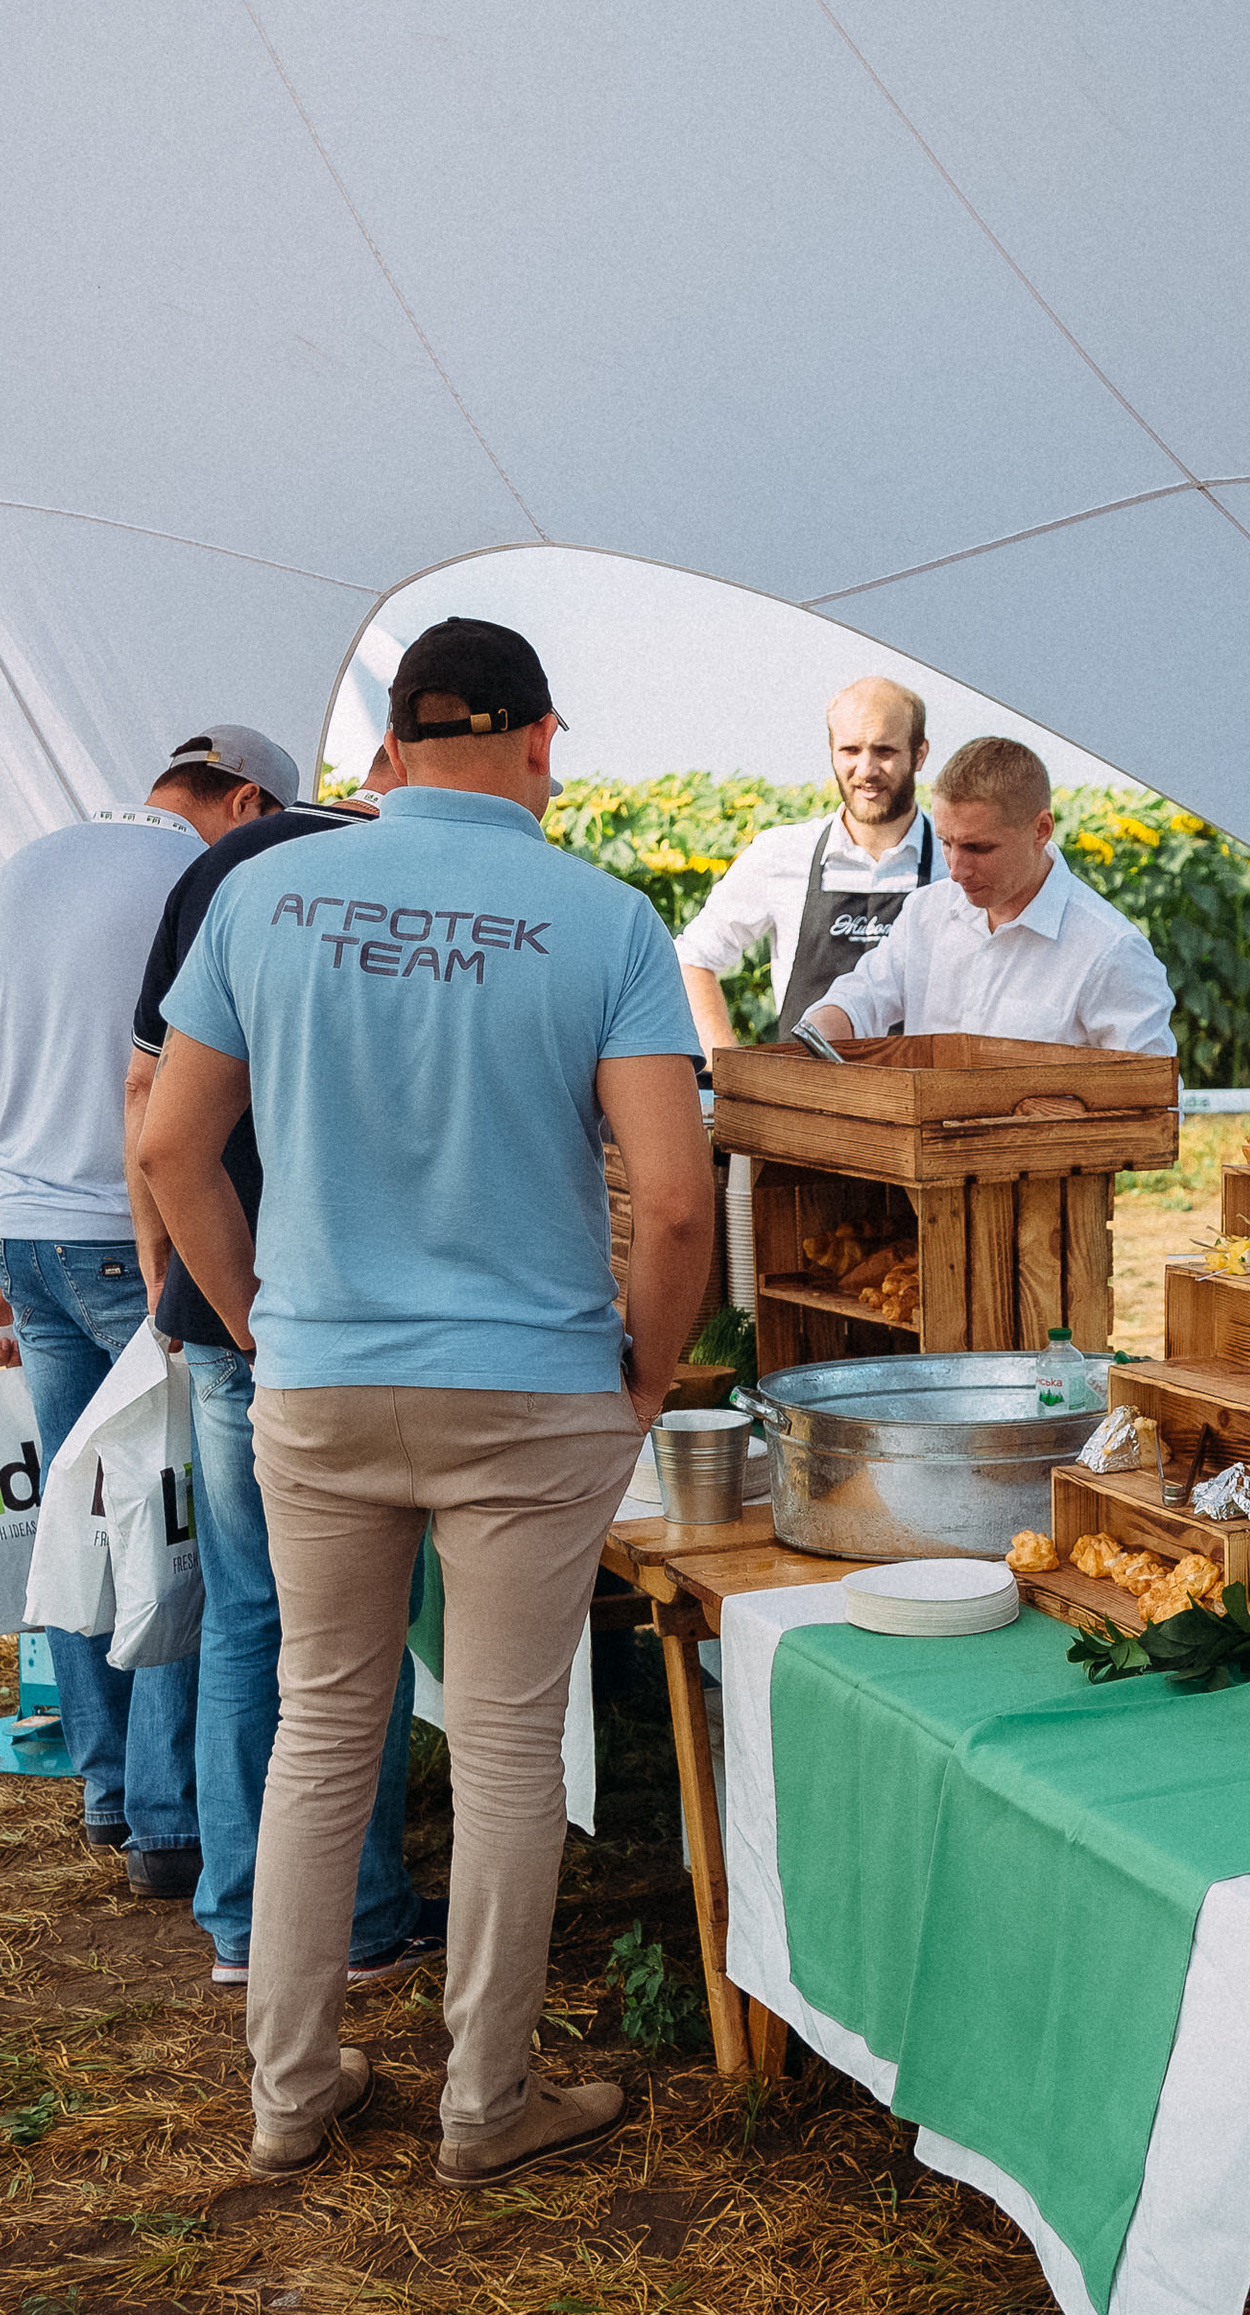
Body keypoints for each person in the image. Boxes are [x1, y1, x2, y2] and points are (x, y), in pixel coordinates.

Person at [140, 618, 711, 2187]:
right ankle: (486, 2106)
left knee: (323, 1724)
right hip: (533, 1390)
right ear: (540, 741)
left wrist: (259, 1323)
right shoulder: (606, 919)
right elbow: (674, 1204)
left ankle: (289, 2093)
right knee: (513, 1745)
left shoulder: (260, 893)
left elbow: (171, 1146)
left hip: (320, 1375)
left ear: (391, 749)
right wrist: (645, 1377)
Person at [126, 738, 442, 1994]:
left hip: (225, 1304)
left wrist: (179, 1277)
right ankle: (356, 1918)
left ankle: (240, 1915)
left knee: (249, 1613)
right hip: (329, 1314)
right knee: (350, 1628)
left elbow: (150, 1098)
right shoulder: (419, 888)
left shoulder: (231, 869)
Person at [0, 725, 298, 1895]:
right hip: (129, 1237)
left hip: (23, 1231)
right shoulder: (202, 877)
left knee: (84, 1504)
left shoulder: (30, 862)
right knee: (171, 1516)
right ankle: (173, 1819)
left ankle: (111, 1784)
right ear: (249, 802)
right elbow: (166, 1086)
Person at [799, 736, 1176, 1056]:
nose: (956, 870)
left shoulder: (1111, 951)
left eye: (978, 848)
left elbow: (1155, 1102)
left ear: (1041, 829)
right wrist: (823, 1027)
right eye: (947, 843)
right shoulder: (925, 912)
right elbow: (864, 996)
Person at [674, 677, 937, 1054]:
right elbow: (692, 958)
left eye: (884, 751)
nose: (866, 769)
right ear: (831, 751)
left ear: (919, 754)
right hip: (801, 1089)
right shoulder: (781, 854)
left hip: (919, 1088)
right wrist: (723, 1062)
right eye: (850, 750)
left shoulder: (954, 864)